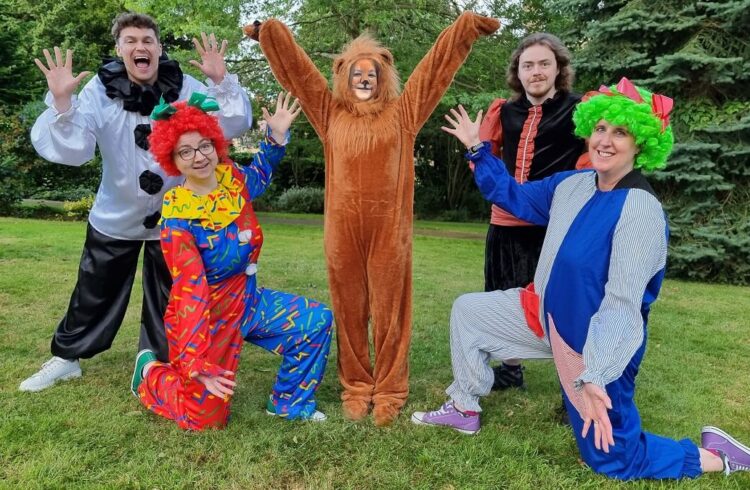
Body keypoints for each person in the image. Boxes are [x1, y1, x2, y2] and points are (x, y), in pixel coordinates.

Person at [411, 78, 750, 479]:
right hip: (543, 316)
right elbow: (513, 196)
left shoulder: (640, 210)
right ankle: (464, 407)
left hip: (590, 347)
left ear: (640, 144)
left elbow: (623, 307)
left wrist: (596, 376)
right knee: (469, 310)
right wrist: (477, 148)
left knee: (612, 459)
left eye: (620, 132)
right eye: (601, 129)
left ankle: (719, 456)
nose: (605, 141)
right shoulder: (572, 185)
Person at [245, 12, 500, 426]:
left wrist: (465, 27)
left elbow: (434, 70)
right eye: (357, 73)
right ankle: (356, 386)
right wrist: (269, 33)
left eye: (372, 73)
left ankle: (390, 389)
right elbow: (300, 74)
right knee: (348, 310)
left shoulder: (403, 114)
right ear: (344, 77)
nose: (364, 79)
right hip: (342, 234)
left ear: (384, 77)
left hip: (388, 234)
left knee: (390, 311)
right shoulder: (329, 115)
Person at [21, 12, 252, 392]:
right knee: (93, 292)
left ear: (159, 48)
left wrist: (220, 81)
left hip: (176, 219)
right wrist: (63, 103)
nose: (139, 47)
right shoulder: (99, 89)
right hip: (115, 216)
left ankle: (160, 362)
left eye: (147, 40)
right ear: (119, 49)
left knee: (173, 297)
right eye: (130, 41)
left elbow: (231, 124)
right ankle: (67, 358)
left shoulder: (184, 87)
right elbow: (75, 149)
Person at [131, 92, 334, 430]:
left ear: (215, 145)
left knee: (315, 322)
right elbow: (190, 290)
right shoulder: (178, 218)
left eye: (204, 146)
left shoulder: (233, 182)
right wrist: (197, 362)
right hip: (210, 318)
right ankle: (150, 373)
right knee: (204, 419)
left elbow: (261, 172)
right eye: (185, 151)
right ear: (173, 160)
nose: (198, 157)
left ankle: (289, 402)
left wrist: (276, 136)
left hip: (250, 302)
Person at [478, 33, 589, 393]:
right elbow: (485, 155)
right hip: (505, 223)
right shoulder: (504, 111)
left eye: (544, 64)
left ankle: (572, 384)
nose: (536, 71)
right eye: (528, 65)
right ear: (518, 72)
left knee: (559, 304)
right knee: (503, 296)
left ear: (559, 69)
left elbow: (595, 158)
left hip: (554, 223)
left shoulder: (580, 110)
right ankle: (510, 371)